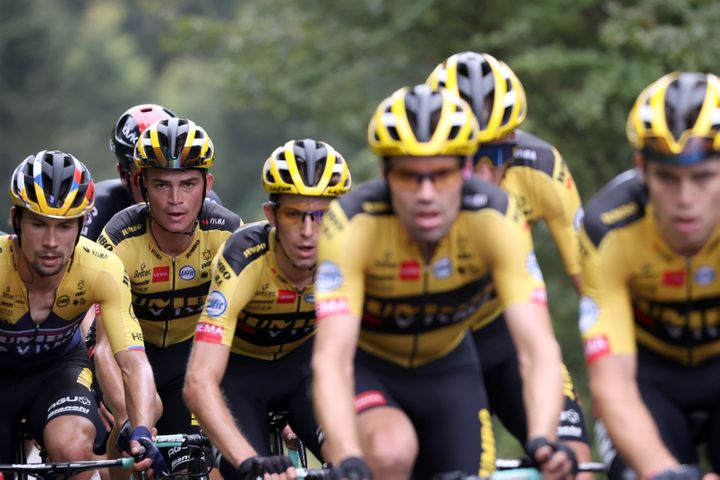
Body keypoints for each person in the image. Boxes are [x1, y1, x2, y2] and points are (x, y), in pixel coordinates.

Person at [312, 84, 576, 479]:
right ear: (385, 174)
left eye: (442, 175)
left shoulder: (496, 217)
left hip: (449, 370)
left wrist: (541, 436)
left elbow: (537, 347)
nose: (426, 194)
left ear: (466, 168)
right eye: (409, 177)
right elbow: (331, 360)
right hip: (373, 368)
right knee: (390, 450)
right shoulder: (351, 223)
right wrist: (349, 456)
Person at [427, 51, 592, 469]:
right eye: (467, 156)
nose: (483, 175)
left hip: (505, 334)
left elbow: (591, 283)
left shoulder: (542, 169)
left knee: (573, 462)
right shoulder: (415, 190)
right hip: (435, 344)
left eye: (497, 155)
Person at [184, 138, 352, 480]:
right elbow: (198, 381)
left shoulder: (350, 255)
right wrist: (249, 462)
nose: (308, 232)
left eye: (320, 216)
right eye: (294, 215)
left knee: (354, 459)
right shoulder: (242, 257)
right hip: (239, 377)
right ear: (271, 215)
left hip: (305, 374)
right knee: (247, 471)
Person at [580, 71, 720, 480]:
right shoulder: (607, 227)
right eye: (667, 178)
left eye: (704, 177)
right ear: (642, 168)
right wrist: (665, 474)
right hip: (647, 378)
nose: (685, 200)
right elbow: (611, 382)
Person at [0, 151, 163, 477]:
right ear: (15, 219)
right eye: (38, 224)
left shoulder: (101, 268)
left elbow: (132, 360)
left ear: (82, 225)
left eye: (64, 227)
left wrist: (142, 430)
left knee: (75, 449)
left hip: (57, 371)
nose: (50, 242)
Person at [95, 118, 241, 474]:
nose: (175, 200)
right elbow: (103, 346)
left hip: (188, 360)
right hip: (125, 356)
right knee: (126, 441)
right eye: (162, 184)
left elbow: (244, 330)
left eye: (188, 184)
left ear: (207, 185)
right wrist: (129, 418)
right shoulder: (118, 238)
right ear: (142, 185)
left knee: (194, 462)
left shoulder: (226, 234)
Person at [82, 103, 222, 241]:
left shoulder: (206, 201)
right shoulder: (98, 206)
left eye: (185, 183)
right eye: (160, 183)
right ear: (123, 175)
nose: (174, 198)